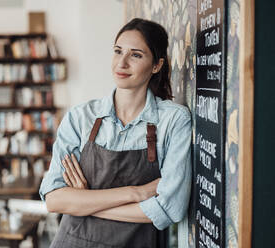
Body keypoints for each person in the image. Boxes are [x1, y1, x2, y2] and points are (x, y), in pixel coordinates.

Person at [39, 18, 192, 248]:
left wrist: (86, 202)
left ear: (156, 65)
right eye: (118, 51)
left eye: (136, 55)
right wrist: (136, 193)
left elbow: (170, 208)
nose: (122, 63)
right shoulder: (80, 118)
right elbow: (54, 199)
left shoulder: (174, 120)